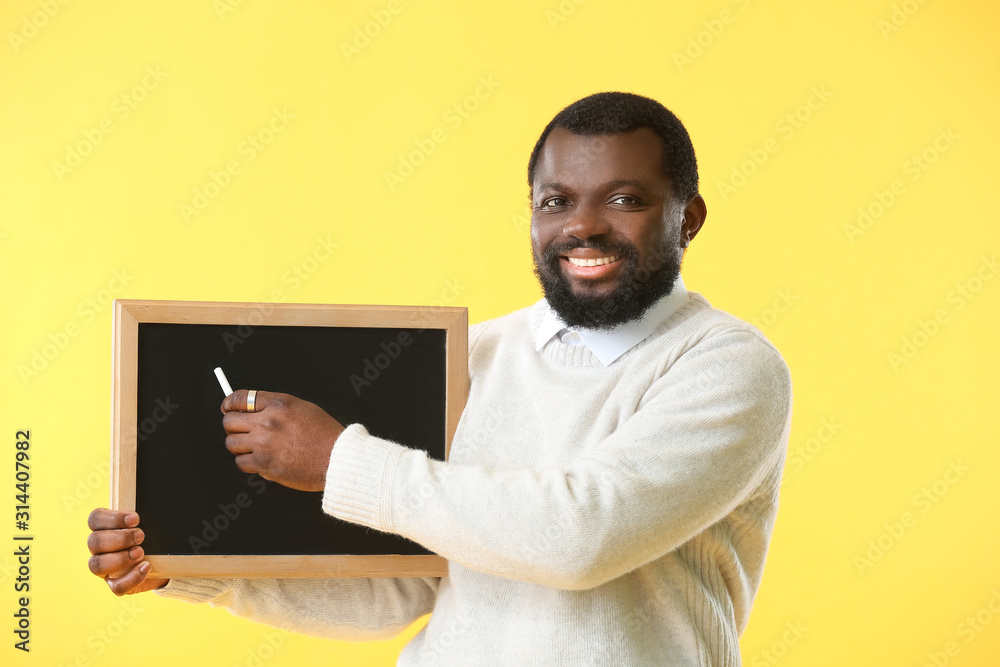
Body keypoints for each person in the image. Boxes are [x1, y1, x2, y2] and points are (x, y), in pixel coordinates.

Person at [87, 91, 792, 665]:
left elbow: (581, 535)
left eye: (625, 199)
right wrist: (188, 568)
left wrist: (336, 459)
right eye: (556, 200)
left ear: (688, 219)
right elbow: (408, 585)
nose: (584, 226)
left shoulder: (727, 365)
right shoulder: (478, 355)